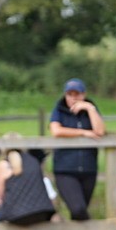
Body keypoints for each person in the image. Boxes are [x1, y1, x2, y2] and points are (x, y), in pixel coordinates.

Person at [48, 78, 105, 220]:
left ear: (83, 95)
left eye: (77, 94)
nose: (73, 98)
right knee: (78, 208)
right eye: (70, 94)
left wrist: (90, 108)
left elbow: (99, 131)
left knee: (80, 211)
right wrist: (84, 133)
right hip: (65, 169)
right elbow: (56, 131)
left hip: (88, 169)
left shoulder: (91, 109)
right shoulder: (59, 109)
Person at [0, 146, 57, 226]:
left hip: (15, 215)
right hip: (42, 212)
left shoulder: (4, 164)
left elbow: (0, 194)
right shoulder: (33, 160)